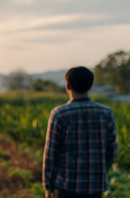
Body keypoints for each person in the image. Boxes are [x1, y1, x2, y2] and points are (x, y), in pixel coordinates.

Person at [42, 66, 117, 198]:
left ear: (68, 86)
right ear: (90, 86)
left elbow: (51, 154)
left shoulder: (60, 114)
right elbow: (112, 149)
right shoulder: (106, 113)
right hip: (95, 186)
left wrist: (48, 186)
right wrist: (100, 169)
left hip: (68, 185)